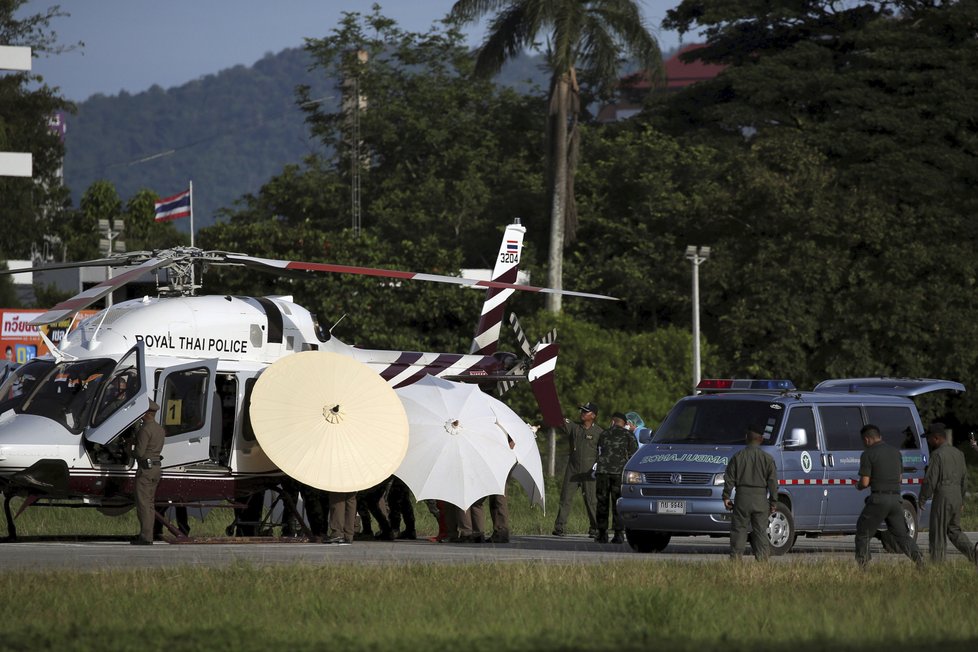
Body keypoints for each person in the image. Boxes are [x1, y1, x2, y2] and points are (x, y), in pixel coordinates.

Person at [854, 424, 924, 569]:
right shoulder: (895, 452)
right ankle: (919, 560)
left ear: (867, 439)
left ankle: (863, 565)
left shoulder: (868, 454)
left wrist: (858, 485)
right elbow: (899, 478)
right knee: (902, 535)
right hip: (896, 500)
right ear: (880, 436)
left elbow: (865, 481)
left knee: (863, 532)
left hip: (879, 499)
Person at [918, 422, 977, 565]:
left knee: (938, 531)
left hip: (943, 495)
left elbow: (930, 480)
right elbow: (965, 478)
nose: (929, 441)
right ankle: (975, 556)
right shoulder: (959, 453)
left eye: (930, 438)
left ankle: (937, 565)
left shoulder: (937, 455)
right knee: (954, 530)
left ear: (937, 438)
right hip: (957, 494)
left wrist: (922, 498)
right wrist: (961, 500)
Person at [722, 427, 778, 561]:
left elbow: (729, 478)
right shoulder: (767, 458)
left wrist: (726, 496)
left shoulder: (737, 457)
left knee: (739, 530)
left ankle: (736, 559)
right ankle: (762, 561)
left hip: (742, 498)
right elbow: (773, 483)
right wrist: (774, 502)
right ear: (761, 439)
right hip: (760, 500)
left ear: (747, 438)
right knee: (760, 532)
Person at [552, 402, 603, 537]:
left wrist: (597, 467)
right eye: (581, 411)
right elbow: (559, 420)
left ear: (593, 415)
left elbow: (603, 452)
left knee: (591, 500)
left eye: (585, 412)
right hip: (573, 470)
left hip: (589, 472)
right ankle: (559, 527)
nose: (582, 413)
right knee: (565, 498)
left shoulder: (599, 433)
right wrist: (552, 405)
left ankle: (595, 528)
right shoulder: (574, 428)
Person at [594, 412, 639, 544]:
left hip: (602, 472)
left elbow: (599, 450)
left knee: (602, 503)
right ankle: (618, 533)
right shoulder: (628, 435)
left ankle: (602, 534)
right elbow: (634, 455)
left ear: (612, 421)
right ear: (624, 423)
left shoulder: (604, 433)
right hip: (619, 473)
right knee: (617, 504)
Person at [131, 399, 165, 545]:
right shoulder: (159, 429)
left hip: (146, 469)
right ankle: (148, 534)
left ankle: (145, 537)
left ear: (146, 413)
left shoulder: (145, 430)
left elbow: (139, 453)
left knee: (143, 504)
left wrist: (128, 449)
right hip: (156, 468)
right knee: (150, 504)